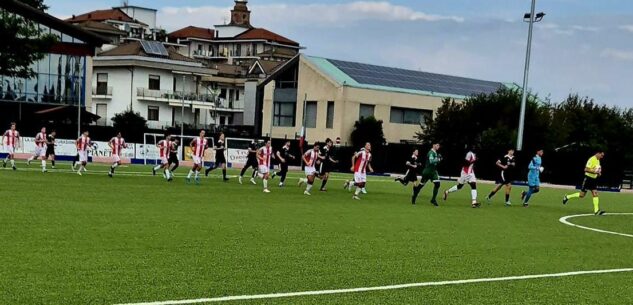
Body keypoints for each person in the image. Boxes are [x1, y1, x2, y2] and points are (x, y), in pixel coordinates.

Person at [563, 150, 606, 215]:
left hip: (593, 180)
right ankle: (567, 197)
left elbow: (596, 170)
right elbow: (586, 169)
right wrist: (594, 172)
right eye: (601, 155)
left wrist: (598, 173)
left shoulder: (598, 160)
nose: (602, 157)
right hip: (588, 179)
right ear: (598, 153)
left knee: (595, 194)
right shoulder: (591, 159)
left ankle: (596, 211)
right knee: (582, 195)